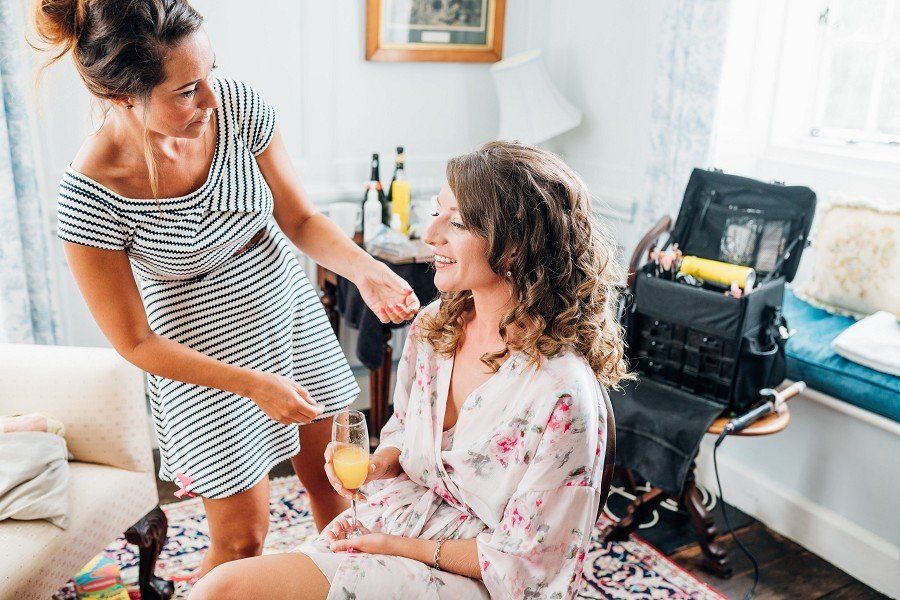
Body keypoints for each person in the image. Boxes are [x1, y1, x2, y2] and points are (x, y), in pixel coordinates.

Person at [31, 0, 419, 578]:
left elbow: (301, 220)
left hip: (288, 319)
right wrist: (254, 385)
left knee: (339, 489)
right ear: (122, 99)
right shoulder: (89, 195)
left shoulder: (236, 107)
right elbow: (135, 343)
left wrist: (364, 268)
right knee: (242, 542)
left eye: (209, 73)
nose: (211, 97)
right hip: (202, 363)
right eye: (186, 90)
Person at [189, 140, 630, 599]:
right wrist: (382, 460)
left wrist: (395, 547)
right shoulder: (434, 327)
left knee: (223, 590)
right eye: (435, 212)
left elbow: (530, 562)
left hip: (479, 575)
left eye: (456, 222)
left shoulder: (561, 389)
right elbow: (404, 428)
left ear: (514, 246)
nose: (430, 234)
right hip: (401, 516)